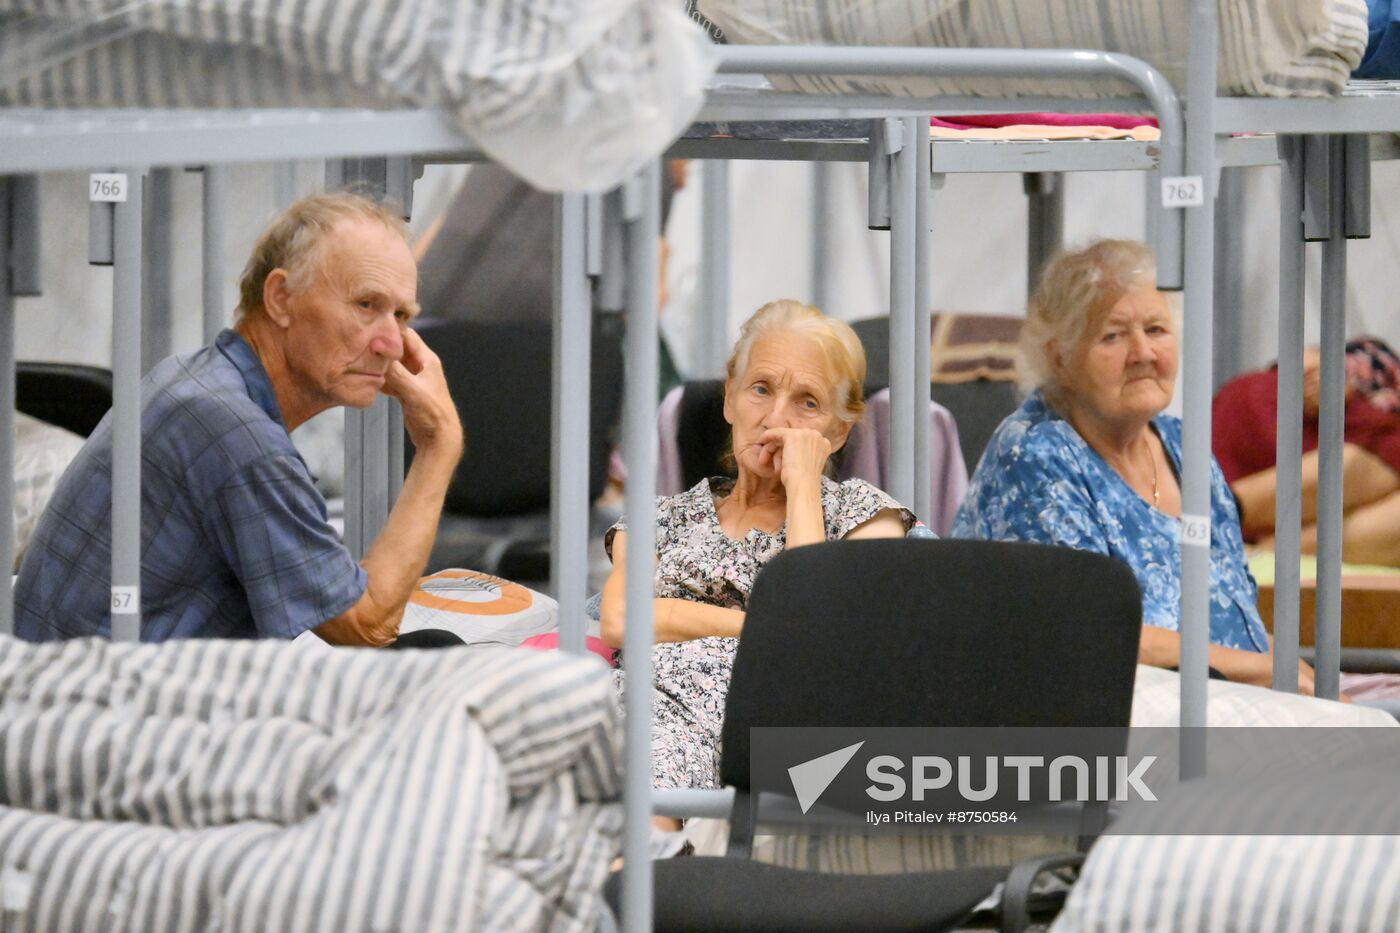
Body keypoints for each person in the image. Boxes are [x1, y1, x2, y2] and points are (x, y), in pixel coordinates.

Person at [15, 192, 464, 645]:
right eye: (366, 305)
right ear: (281, 298)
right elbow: (365, 624)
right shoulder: (237, 435)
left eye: (401, 316)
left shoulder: (197, 377)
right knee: (437, 648)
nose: (391, 344)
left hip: (66, 671)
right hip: (98, 685)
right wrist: (438, 444)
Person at [952, 240, 1326, 696]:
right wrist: (1270, 674)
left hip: (1223, 697)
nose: (1143, 352)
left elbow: (1238, 613)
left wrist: (1307, 682)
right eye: (1113, 336)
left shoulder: (1184, 446)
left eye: (1156, 329)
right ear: (1059, 358)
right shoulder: (1036, 453)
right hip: (1111, 712)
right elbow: (1092, 631)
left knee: (1371, 720)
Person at [600, 300, 915, 804]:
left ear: (838, 431)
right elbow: (619, 621)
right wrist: (762, 627)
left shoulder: (864, 516)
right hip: (621, 705)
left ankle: (647, 851)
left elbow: (813, 641)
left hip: (737, 733)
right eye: (761, 389)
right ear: (730, 398)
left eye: (807, 403)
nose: (774, 418)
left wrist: (804, 485)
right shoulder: (660, 517)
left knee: (649, 766)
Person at [1214, 341, 1400, 566]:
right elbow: (1313, 360)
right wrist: (1322, 368)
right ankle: (1222, 518)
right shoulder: (1371, 364)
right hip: (1282, 422)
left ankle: (1237, 531)